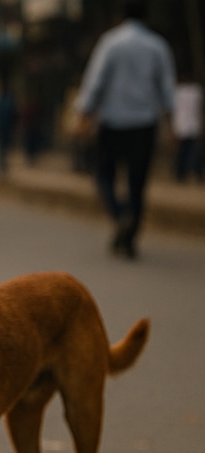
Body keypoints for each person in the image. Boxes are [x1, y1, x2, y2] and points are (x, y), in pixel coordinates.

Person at [74, 0, 175, 259]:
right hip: (144, 123)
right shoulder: (158, 45)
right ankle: (130, 235)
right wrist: (171, 123)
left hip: (113, 122)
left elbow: (95, 80)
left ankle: (120, 215)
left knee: (104, 175)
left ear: (121, 15)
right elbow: (166, 88)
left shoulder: (111, 42)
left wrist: (84, 114)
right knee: (137, 182)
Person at [172, 72, 203, 183]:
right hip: (189, 126)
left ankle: (182, 173)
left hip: (184, 126)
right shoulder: (196, 91)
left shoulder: (178, 92)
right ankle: (189, 172)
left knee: (185, 152)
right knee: (189, 152)